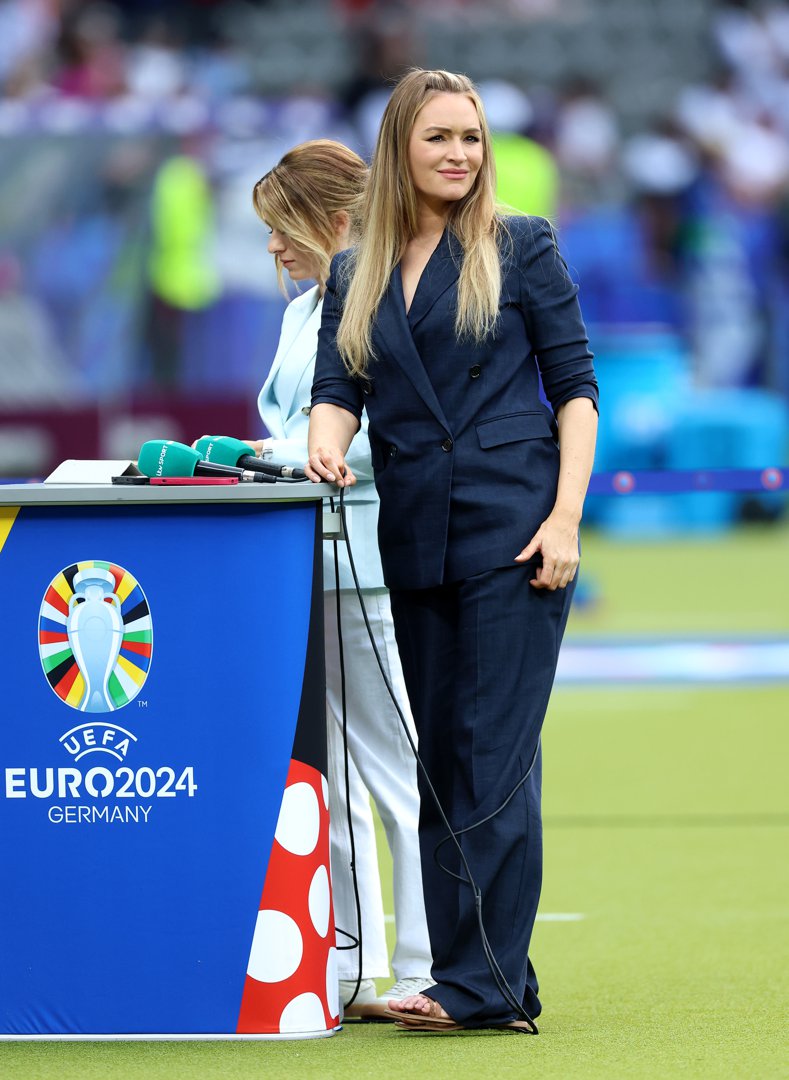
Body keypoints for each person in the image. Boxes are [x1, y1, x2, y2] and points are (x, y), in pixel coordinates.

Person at [306, 70, 599, 1034]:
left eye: (471, 138)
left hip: (515, 535)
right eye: (440, 138)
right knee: (443, 765)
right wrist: (324, 438)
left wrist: (563, 521)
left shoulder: (520, 244)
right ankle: (465, 977)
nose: (460, 155)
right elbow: (338, 385)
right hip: (416, 537)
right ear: (401, 147)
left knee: (493, 764)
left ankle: (491, 989)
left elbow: (576, 391)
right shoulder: (354, 268)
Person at [250, 140, 433, 1019]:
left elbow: (380, 436)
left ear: (329, 221)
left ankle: (429, 965)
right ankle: (352, 970)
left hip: (368, 564)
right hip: (297, 563)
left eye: (279, 230)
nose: (272, 250)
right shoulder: (299, 315)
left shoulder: (391, 299)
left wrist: (280, 456)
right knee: (327, 783)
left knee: (396, 772)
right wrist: (255, 457)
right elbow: (293, 427)